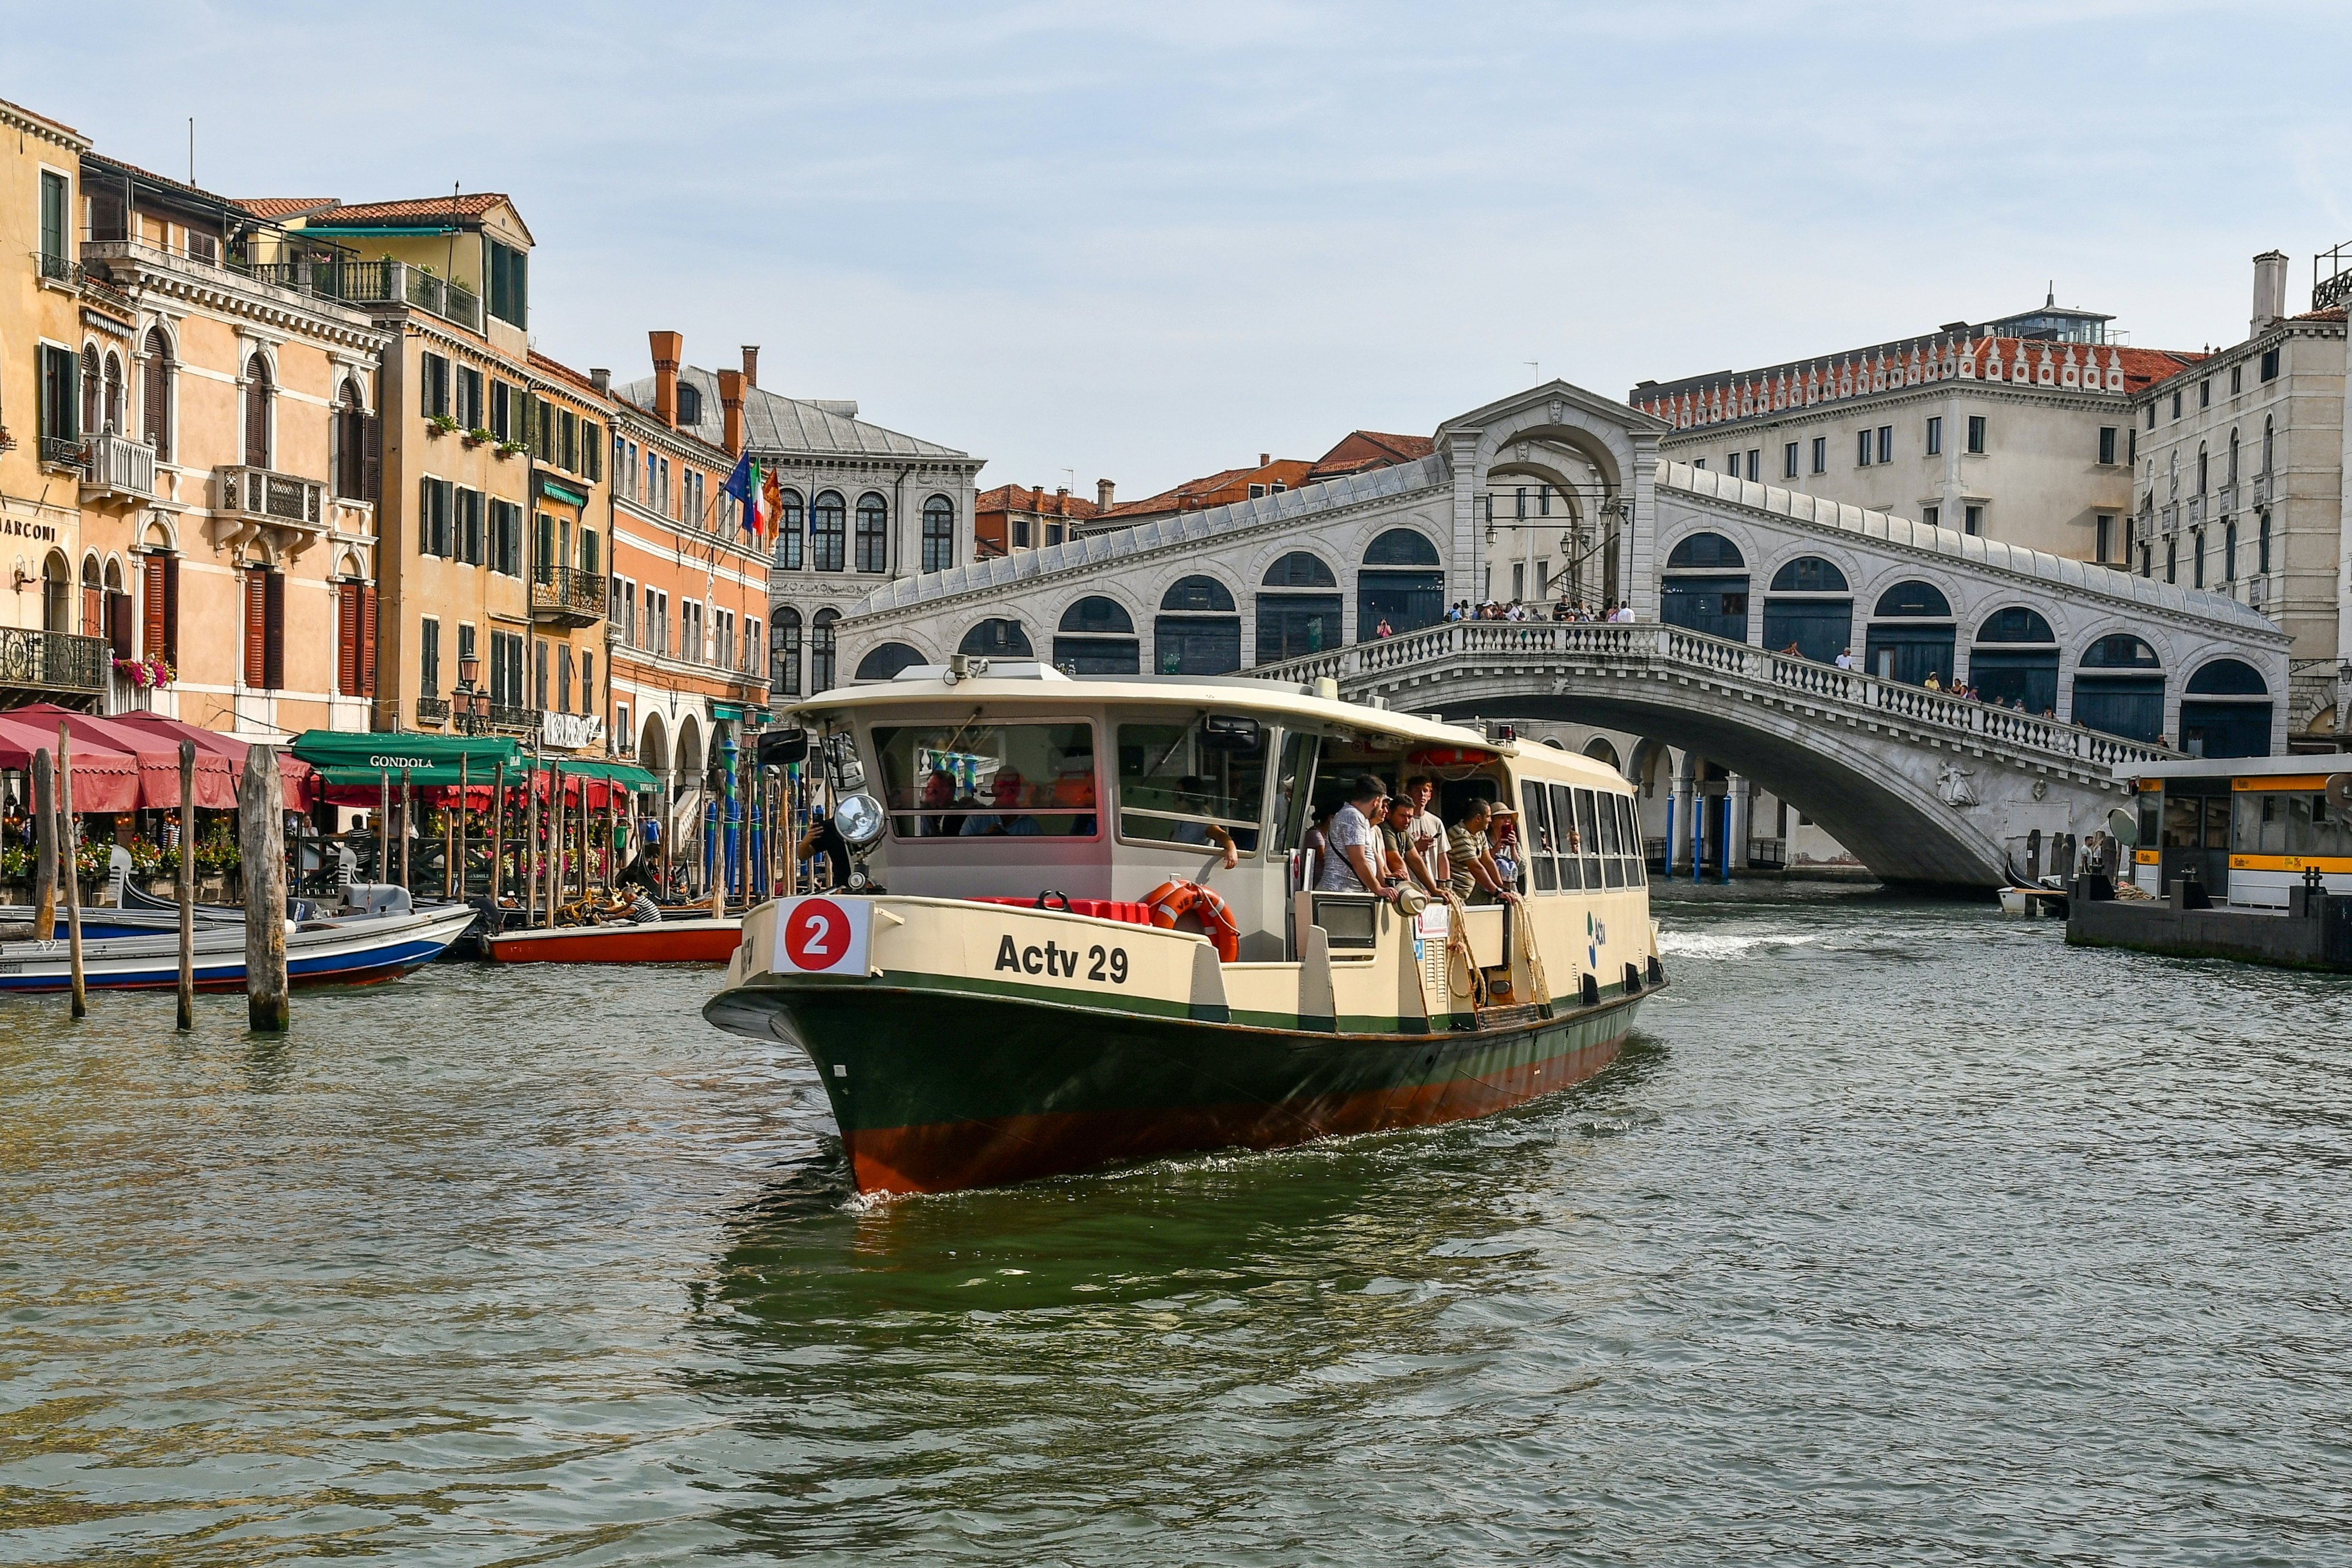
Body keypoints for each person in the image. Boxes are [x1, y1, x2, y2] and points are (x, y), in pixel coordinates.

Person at [1315, 775, 1398, 901]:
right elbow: (1358, 860)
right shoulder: (1352, 816)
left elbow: (1372, 856)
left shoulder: (1360, 817)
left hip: (1349, 893)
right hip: (1340, 893)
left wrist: (1383, 884)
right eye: (1382, 803)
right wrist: (1378, 889)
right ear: (1376, 801)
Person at [1445, 798, 1520, 905]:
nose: (1490, 820)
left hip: (1465, 896)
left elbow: (1488, 862)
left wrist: (1504, 889)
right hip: (1455, 895)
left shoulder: (1480, 833)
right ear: (1478, 819)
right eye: (1489, 817)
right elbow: (1476, 868)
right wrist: (1497, 892)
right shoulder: (1460, 835)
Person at [1169, 776, 1241, 868]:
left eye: (1179, 795)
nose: (1174, 799)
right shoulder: (1181, 820)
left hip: (1195, 869)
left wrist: (1232, 849)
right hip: (1178, 865)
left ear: (1191, 797)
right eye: (1174, 794)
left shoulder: (1203, 821)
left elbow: (1221, 835)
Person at [962, 770, 1043, 837]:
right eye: (1002, 784)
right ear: (993, 789)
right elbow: (962, 851)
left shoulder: (1030, 826)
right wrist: (985, 838)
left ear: (1019, 790)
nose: (1007, 789)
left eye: (1013, 785)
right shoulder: (976, 820)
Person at [1402, 774, 1449, 889]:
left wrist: (1445, 886)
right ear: (1408, 794)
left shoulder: (1436, 822)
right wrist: (1417, 847)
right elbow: (1397, 857)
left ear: (1430, 795)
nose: (1422, 795)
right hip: (1411, 885)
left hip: (1432, 885)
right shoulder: (1403, 821)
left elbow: (1442, 858)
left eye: (1425, 791)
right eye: (1417, 791)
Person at [797, 809, 852, 888]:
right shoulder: (831, 827)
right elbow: (803, 856)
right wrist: (805, 842)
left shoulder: (874, 824)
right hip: (845, 888)